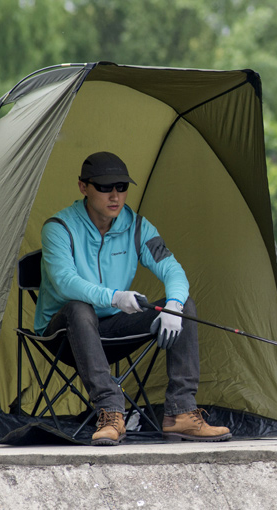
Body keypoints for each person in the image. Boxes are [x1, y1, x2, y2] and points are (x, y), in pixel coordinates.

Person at [34, 151, 232, 446]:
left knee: (183, 305)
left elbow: (172, 269)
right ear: (83, 187)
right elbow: (65, 283)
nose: (115, 196)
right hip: (63, 336)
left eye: (122, 187)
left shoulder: (138, 226)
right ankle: (110, 412)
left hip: (113, 329)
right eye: (104, 187)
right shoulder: (58, 228)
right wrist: (114, 297)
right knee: (78, 308)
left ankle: (181, 412)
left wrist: (175, 305)